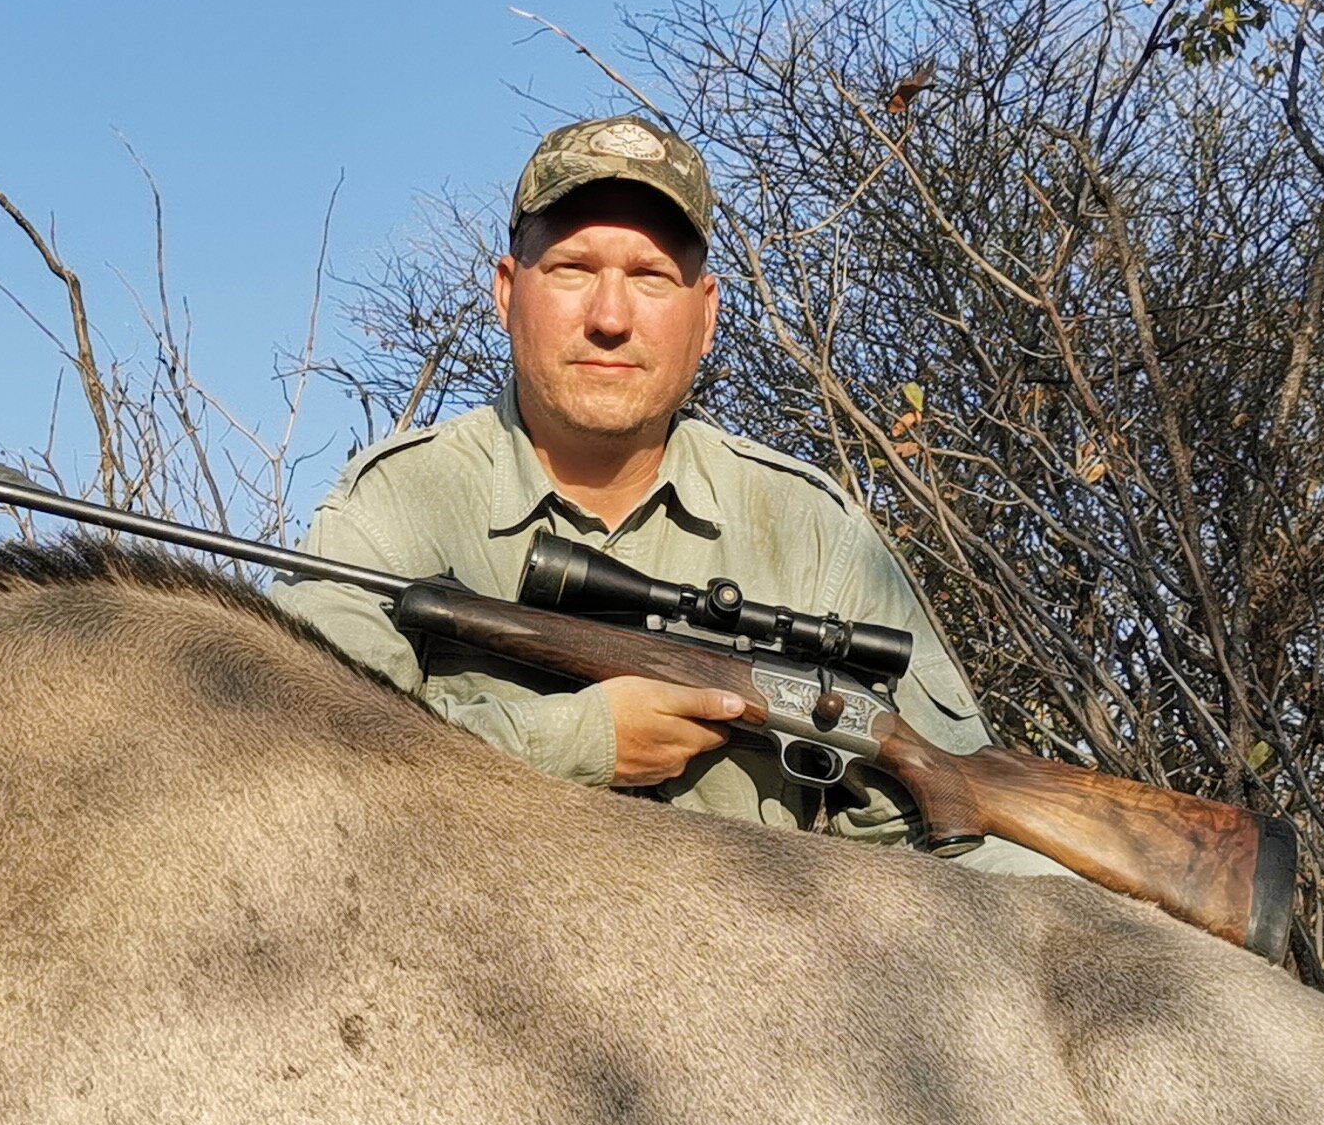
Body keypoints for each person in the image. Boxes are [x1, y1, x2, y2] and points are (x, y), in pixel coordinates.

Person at [276, 114, 1057, 872]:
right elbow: (301, 754)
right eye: (573, 269)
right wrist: (583, 740)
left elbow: (963, 831)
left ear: (708, 314)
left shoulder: (809, 526)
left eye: (651, 277)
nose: (609, 318)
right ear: (508, 293)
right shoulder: (399, 502)